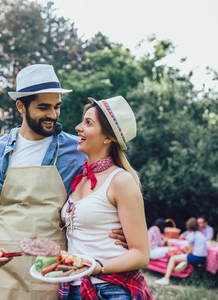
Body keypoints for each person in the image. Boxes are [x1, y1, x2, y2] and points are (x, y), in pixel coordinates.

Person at [0, 64, 127, 300]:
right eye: (43, 107)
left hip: (52, 265)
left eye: (56, 106)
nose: (53, 114)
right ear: (21, 106)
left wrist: (121, 227)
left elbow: (111, 184)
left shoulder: (78, 150)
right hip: (2, 260)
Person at [59, 96, 153, 300]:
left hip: (110, 290)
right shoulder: (79, 178)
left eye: (88, 122)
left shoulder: (120, 180)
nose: (78, 127)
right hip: (74, 289)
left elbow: (141, 255)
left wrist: (96, 267)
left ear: (107, 138)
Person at [155, 217, 207, 285]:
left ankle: (166, 279)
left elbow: (190, 250)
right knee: (183, 255)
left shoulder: (192, 234)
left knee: (173, 258)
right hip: (204, 258)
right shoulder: (201, 234)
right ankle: (183, 262)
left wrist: (184, 254)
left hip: (196, 258)